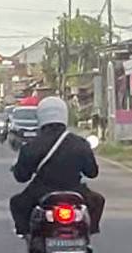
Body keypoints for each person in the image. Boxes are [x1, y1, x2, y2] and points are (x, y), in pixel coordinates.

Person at [11, 91, 103, 237]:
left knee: (16, 203)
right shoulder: (80, 143)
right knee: (98, 200)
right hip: (75, 191)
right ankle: (89, 231)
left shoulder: (31, 146)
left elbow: (22, 177)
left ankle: (26, 234)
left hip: (41, 192)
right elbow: (92, 173)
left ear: (41, 116)